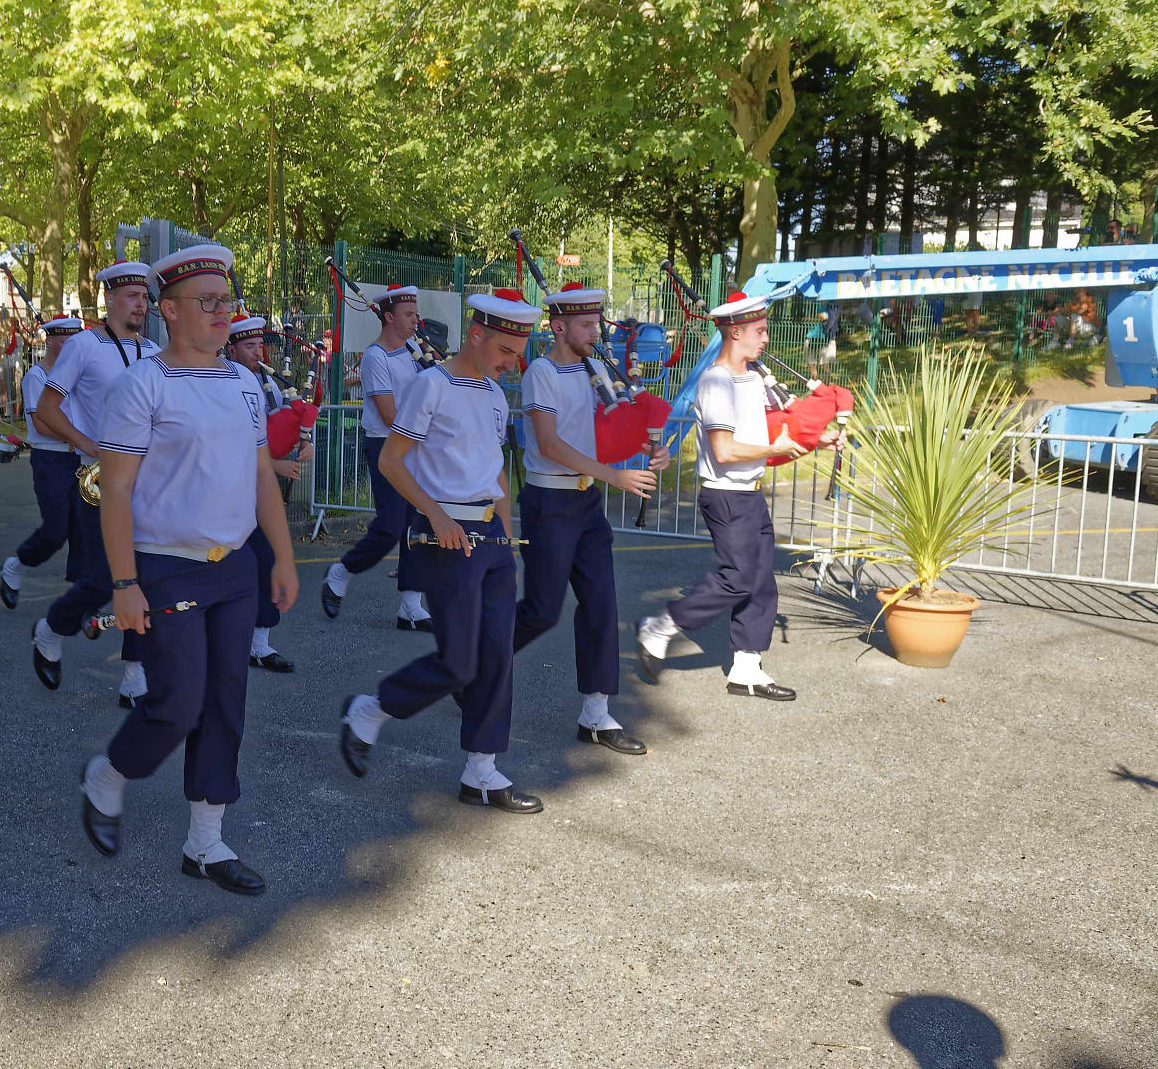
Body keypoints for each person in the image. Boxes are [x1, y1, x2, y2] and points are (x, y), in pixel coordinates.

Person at [78, 245, 297, 896]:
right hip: (164, 567)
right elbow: (114, 491)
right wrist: (123, 583)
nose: (222, 312)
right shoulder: (142, 384)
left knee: (227, 701)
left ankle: (205, 841)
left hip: (233, 567)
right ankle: (108, 777)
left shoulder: (242, 383)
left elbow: (261, 476)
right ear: (168, 311)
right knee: (176, 703)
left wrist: (281, 555)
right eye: (207, 301)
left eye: (226, 300)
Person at [337, 290, 545, 814]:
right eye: (504, 350)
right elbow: (391, 461)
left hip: (490, 536)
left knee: (496, 658)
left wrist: (507, 536)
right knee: (458, 662)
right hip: (445, 535)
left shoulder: (496, 395)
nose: (510, 362)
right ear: (476, 336)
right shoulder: (429, 386)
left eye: (516, 353)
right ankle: (371, 710)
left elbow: (496, 470)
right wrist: (434, 512)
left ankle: (482, 770)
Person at [637, 291, 831, 702]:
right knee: (739, 578)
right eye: (759, 332)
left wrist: (818, 439)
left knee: (761, 583)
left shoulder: (751, 377)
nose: (765, 339)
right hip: (726, 495)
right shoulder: (717, 381)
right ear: (735, 332)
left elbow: (773, 428)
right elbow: (725, 451)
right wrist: (776, 451)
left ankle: (746, 667)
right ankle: (663, 626)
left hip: (749, 492)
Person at [512, 284, 667, 755]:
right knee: (541, 612)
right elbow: (551, 444)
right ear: (559, 327)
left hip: (586, 503)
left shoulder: (595, 367)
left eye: (596, 323)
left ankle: (595, 715)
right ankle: (474, 664)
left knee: (602, 605)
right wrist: (616, 478)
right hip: (550, 502)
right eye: (586, 325)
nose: (594, 332)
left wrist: (644, 448)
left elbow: (605, 432)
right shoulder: (540, 373)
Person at [31, 263, 160, 706]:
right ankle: (50, 629)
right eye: (130, 296)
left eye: (144, 296)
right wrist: (92, 446)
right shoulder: (84, 345)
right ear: (109, 299)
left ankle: (134, 676)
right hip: (100, 481)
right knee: (103, 582)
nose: (140, 304)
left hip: (147, 483)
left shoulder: (155, 350)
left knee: (151, 579)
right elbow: (47, 409)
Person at [321, 285, 432, 631]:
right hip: (387, 447)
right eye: (409, 315)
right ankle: (340, 572)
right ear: (389, 317)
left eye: (415, 314)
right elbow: (388, 413)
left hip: (415, 447)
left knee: (419, 524)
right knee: (391, 525)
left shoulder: (413, 350)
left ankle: (411, 607)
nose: (416, 320)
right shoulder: (375, 358)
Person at [224, 313, 301, 672]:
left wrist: (305, 436)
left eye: (260, 346)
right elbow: (236, 444)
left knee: (267, 559)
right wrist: (276, 466)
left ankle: (260, 644)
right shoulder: (226, 382)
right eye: (249, 346)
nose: (258, 353)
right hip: (232, 487)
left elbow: (283, 421)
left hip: (260, 487)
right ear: (232, 348)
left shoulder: (268, 384)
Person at [0, 315, 85, 609]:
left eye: (76, 341)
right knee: (56, 530)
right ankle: (15, 566)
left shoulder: (81, 374)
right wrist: (81, 437)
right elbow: (43, 423)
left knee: (84, 531)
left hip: (82, 458)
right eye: (66, 341)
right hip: (52, 459)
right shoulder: (37, 377)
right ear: (50, 341)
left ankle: (80, 597)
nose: (73, 348)